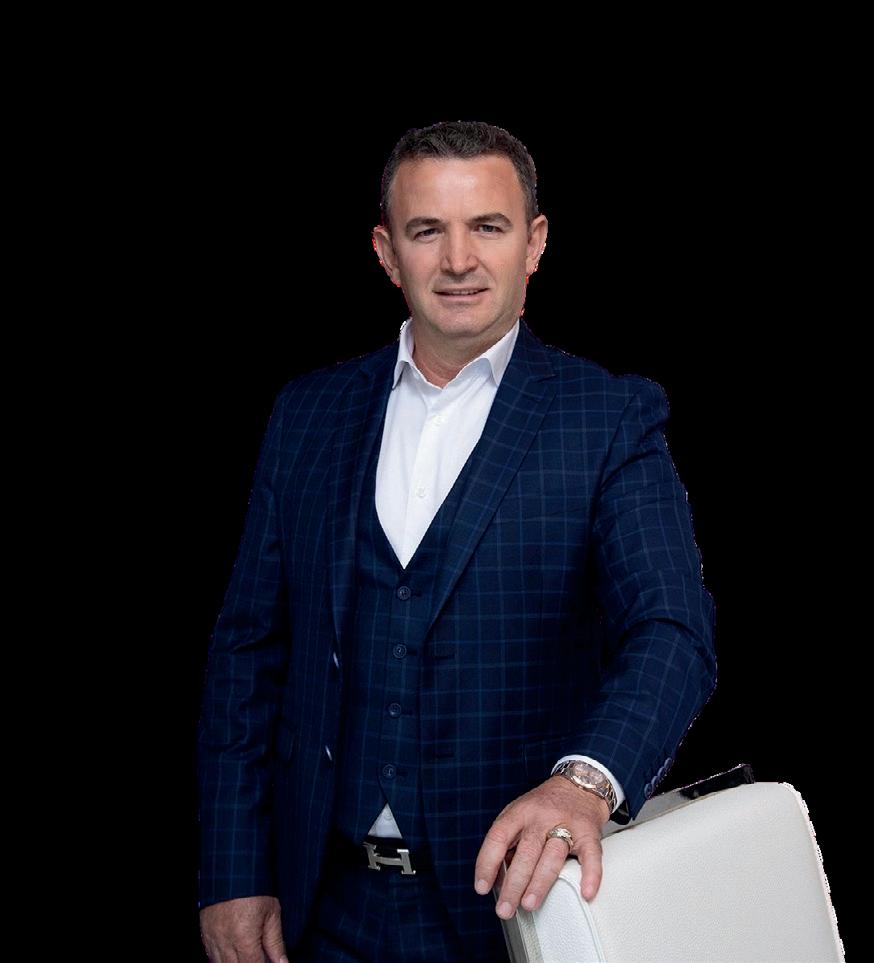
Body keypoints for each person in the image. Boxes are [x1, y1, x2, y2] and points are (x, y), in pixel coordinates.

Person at [197, 120, 717, 963]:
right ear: (386, 251)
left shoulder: (608, 418)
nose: (459, 259)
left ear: (534, 243)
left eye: (488, 226)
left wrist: (584, 783)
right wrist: (231, 869)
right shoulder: (306, 414)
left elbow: (672, 631)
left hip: (514, 910)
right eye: (427, 230)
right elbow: (247, 654)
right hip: (320, 908)